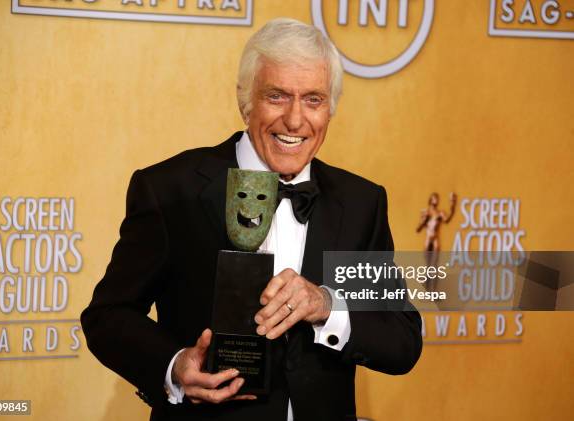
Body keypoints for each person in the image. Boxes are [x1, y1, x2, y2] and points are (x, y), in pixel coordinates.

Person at [81, 18, 422, 421]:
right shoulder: (171, 190)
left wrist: (327, 306)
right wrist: (174, 366)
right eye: (277, 96)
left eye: (313, 100)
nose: (295, 121)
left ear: (330, 108)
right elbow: (108, 316)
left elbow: (399, 340)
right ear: (246, 100)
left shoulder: (359, 203)